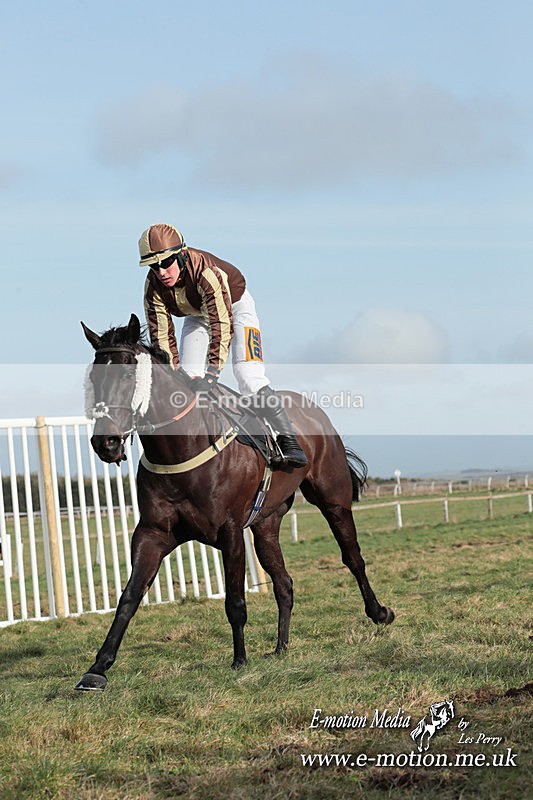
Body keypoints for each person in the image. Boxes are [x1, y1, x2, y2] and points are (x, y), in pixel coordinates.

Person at [139, 223, 307, 468]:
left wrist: (212, 373)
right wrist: (174, 372)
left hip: (236, 309)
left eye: (166, 263)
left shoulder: (206, 272)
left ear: (182, 254)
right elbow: (161, 336)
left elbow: (221, 323)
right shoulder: (152, 287)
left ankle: (288, 440)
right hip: (197, 315)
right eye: (154, 266)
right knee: (186, 377)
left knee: (248, 376)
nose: (161, 272)